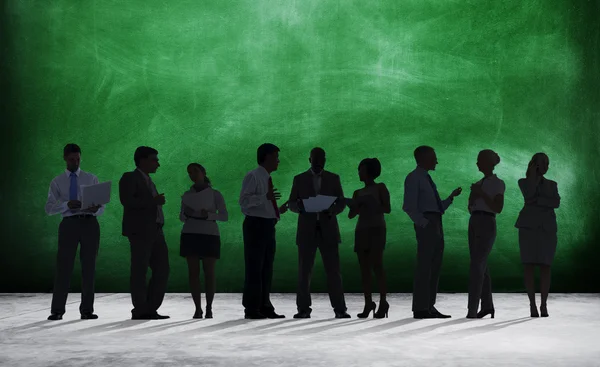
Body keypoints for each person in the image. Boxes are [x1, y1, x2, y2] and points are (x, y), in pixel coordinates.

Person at [288, 147, 350, 319]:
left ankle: (340, 309)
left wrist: (332, 211)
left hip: (328, 228)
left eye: (321, 159)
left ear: (325, 160)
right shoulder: (299, 179)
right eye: (315, 159)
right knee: (304, 271)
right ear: (310, 160)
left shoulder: (333, 178)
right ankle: (303, 309)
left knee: (334, 271)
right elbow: (291, 203)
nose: (318, 163)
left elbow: (341, 202)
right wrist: (300, 206)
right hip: (307, 229)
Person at [44, 144, 103, 320]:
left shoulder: (91, 178)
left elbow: (102, 206)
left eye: (78, 159)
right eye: (72, 159)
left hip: (90, 223)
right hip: (69, 224)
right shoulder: (57, 181)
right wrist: (66, 205)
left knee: (89, 267)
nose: (75, 162)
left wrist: (95, 209)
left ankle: (87, 310)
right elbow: (49, 208)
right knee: (64, 267)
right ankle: (57, 310)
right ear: (65, 158)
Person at [402, 146, 462, 319]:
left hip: (435, 223)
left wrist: (450, 198)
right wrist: (424, 223)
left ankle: (428, 306)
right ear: (424, 158)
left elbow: (436, 208)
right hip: (429, 225)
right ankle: (421, 307)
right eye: (434, 157)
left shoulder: (426, 178)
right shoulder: (414, 178)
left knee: (434, 266)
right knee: (425, 267)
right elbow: (409, 206)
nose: (436, 161)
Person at [119, 146, 170, 320]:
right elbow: (127, 200)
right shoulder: (130, 177)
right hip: (140, 231)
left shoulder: (148, 180)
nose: (158, 164)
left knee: (162, 268)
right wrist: (153, 201)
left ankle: (149, 307)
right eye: (154, 159)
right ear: (142, 160)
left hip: (156, 231)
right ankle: (141, 308)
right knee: (140, 270)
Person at [239, 143, 285, 319]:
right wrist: (264, 197)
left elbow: (259, 204)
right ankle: (252, 307)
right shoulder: (253, 176)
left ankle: (264, 305)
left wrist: (276, 211)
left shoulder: (264, 177)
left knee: (266, 267)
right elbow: (244, 202)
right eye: (275, 157)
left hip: (266, 225)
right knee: (255, 267)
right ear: (266, 157)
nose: (278, 161)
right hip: (256, 226)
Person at [180, 163, 228, 319]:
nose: (192, 175)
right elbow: (181, 217)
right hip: (190, 233)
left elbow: (224, 216)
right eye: (189, 172)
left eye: (195, 171)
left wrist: (208, 215)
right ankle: (197, 308)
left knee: (209, 273)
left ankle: (209, 307)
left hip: (209, 233)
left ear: (203, 172)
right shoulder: (187, 194)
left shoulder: (215, 194)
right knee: (193, 273)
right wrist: (187, 213)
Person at [515, 153, 560, 318]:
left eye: (547, 163)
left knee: (546, 266)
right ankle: (532, 304)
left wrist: (538, 200)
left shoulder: (552, 184)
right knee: (528, 266)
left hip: (547, 230)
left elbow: (556, 202)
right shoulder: (524, 182)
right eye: (541, 163)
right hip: (528, 229)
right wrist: (532, 178)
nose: (545, 166)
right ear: (533, 165)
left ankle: (544, 304)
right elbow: (529, 196)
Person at [347, 158, 391, 318]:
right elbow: (351, 215)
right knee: (364, 269)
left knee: (377, 265)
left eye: (362, 170)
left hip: (376, 229)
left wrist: (371, 203)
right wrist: (354, 204)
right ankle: (368, 302)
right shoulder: (357, 192)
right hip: (362, 230)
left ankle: (383, 301)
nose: (359, 172)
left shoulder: (380, 187)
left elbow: (387, 208)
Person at [466, 150, 505, 319]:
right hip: (475, 221)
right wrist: (473, 197)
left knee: (477, 265)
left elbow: (498, 208)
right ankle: (487, 306)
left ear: (488, 163)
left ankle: (472, 309)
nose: (477, 164)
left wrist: (480, 193)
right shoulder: (479, 182)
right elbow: (470, 207)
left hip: (487, 222)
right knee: (482, 265)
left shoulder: (497, 183)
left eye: (479, 161)